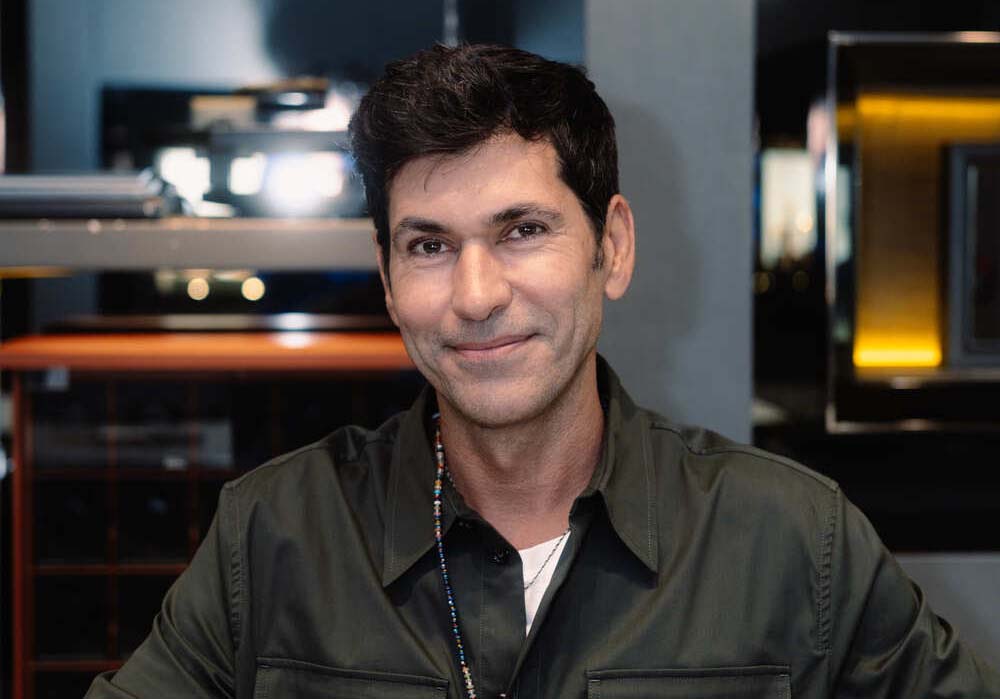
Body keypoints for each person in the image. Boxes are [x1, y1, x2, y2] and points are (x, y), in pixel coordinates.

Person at [86, 44, 999, 699]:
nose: (476, 294)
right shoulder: (273, 535)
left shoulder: (795, 540)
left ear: (613, 247)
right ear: (389, 279)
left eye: (523, 230)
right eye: (429, 245)